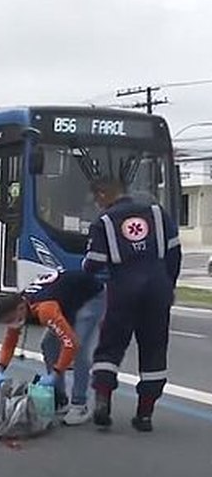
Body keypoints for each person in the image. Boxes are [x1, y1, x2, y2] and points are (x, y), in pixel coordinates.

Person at [84, 178, 182, 432]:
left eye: (96, 199)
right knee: (154, 348)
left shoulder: (104, 222)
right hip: (158, 288)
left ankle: (103, 401)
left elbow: (92, 264)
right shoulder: (158, 213)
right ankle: (145, 414)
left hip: (123, 289)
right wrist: (168, 285)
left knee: (110, 345)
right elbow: (174, 253)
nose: (97, 205)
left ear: (103, 194)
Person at [0, 269, 105, 422]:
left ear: (20, 309)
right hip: (68, 298)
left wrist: (56, 373)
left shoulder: (45, 309)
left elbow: (71, 344)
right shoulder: (19, 306)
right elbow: (10, 340)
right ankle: (60, 398)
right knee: (48, 344)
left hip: (91, 297)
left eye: (11, 319)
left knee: (79, 348)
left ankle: (80, 405)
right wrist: (1, 369)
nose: (11, 324)